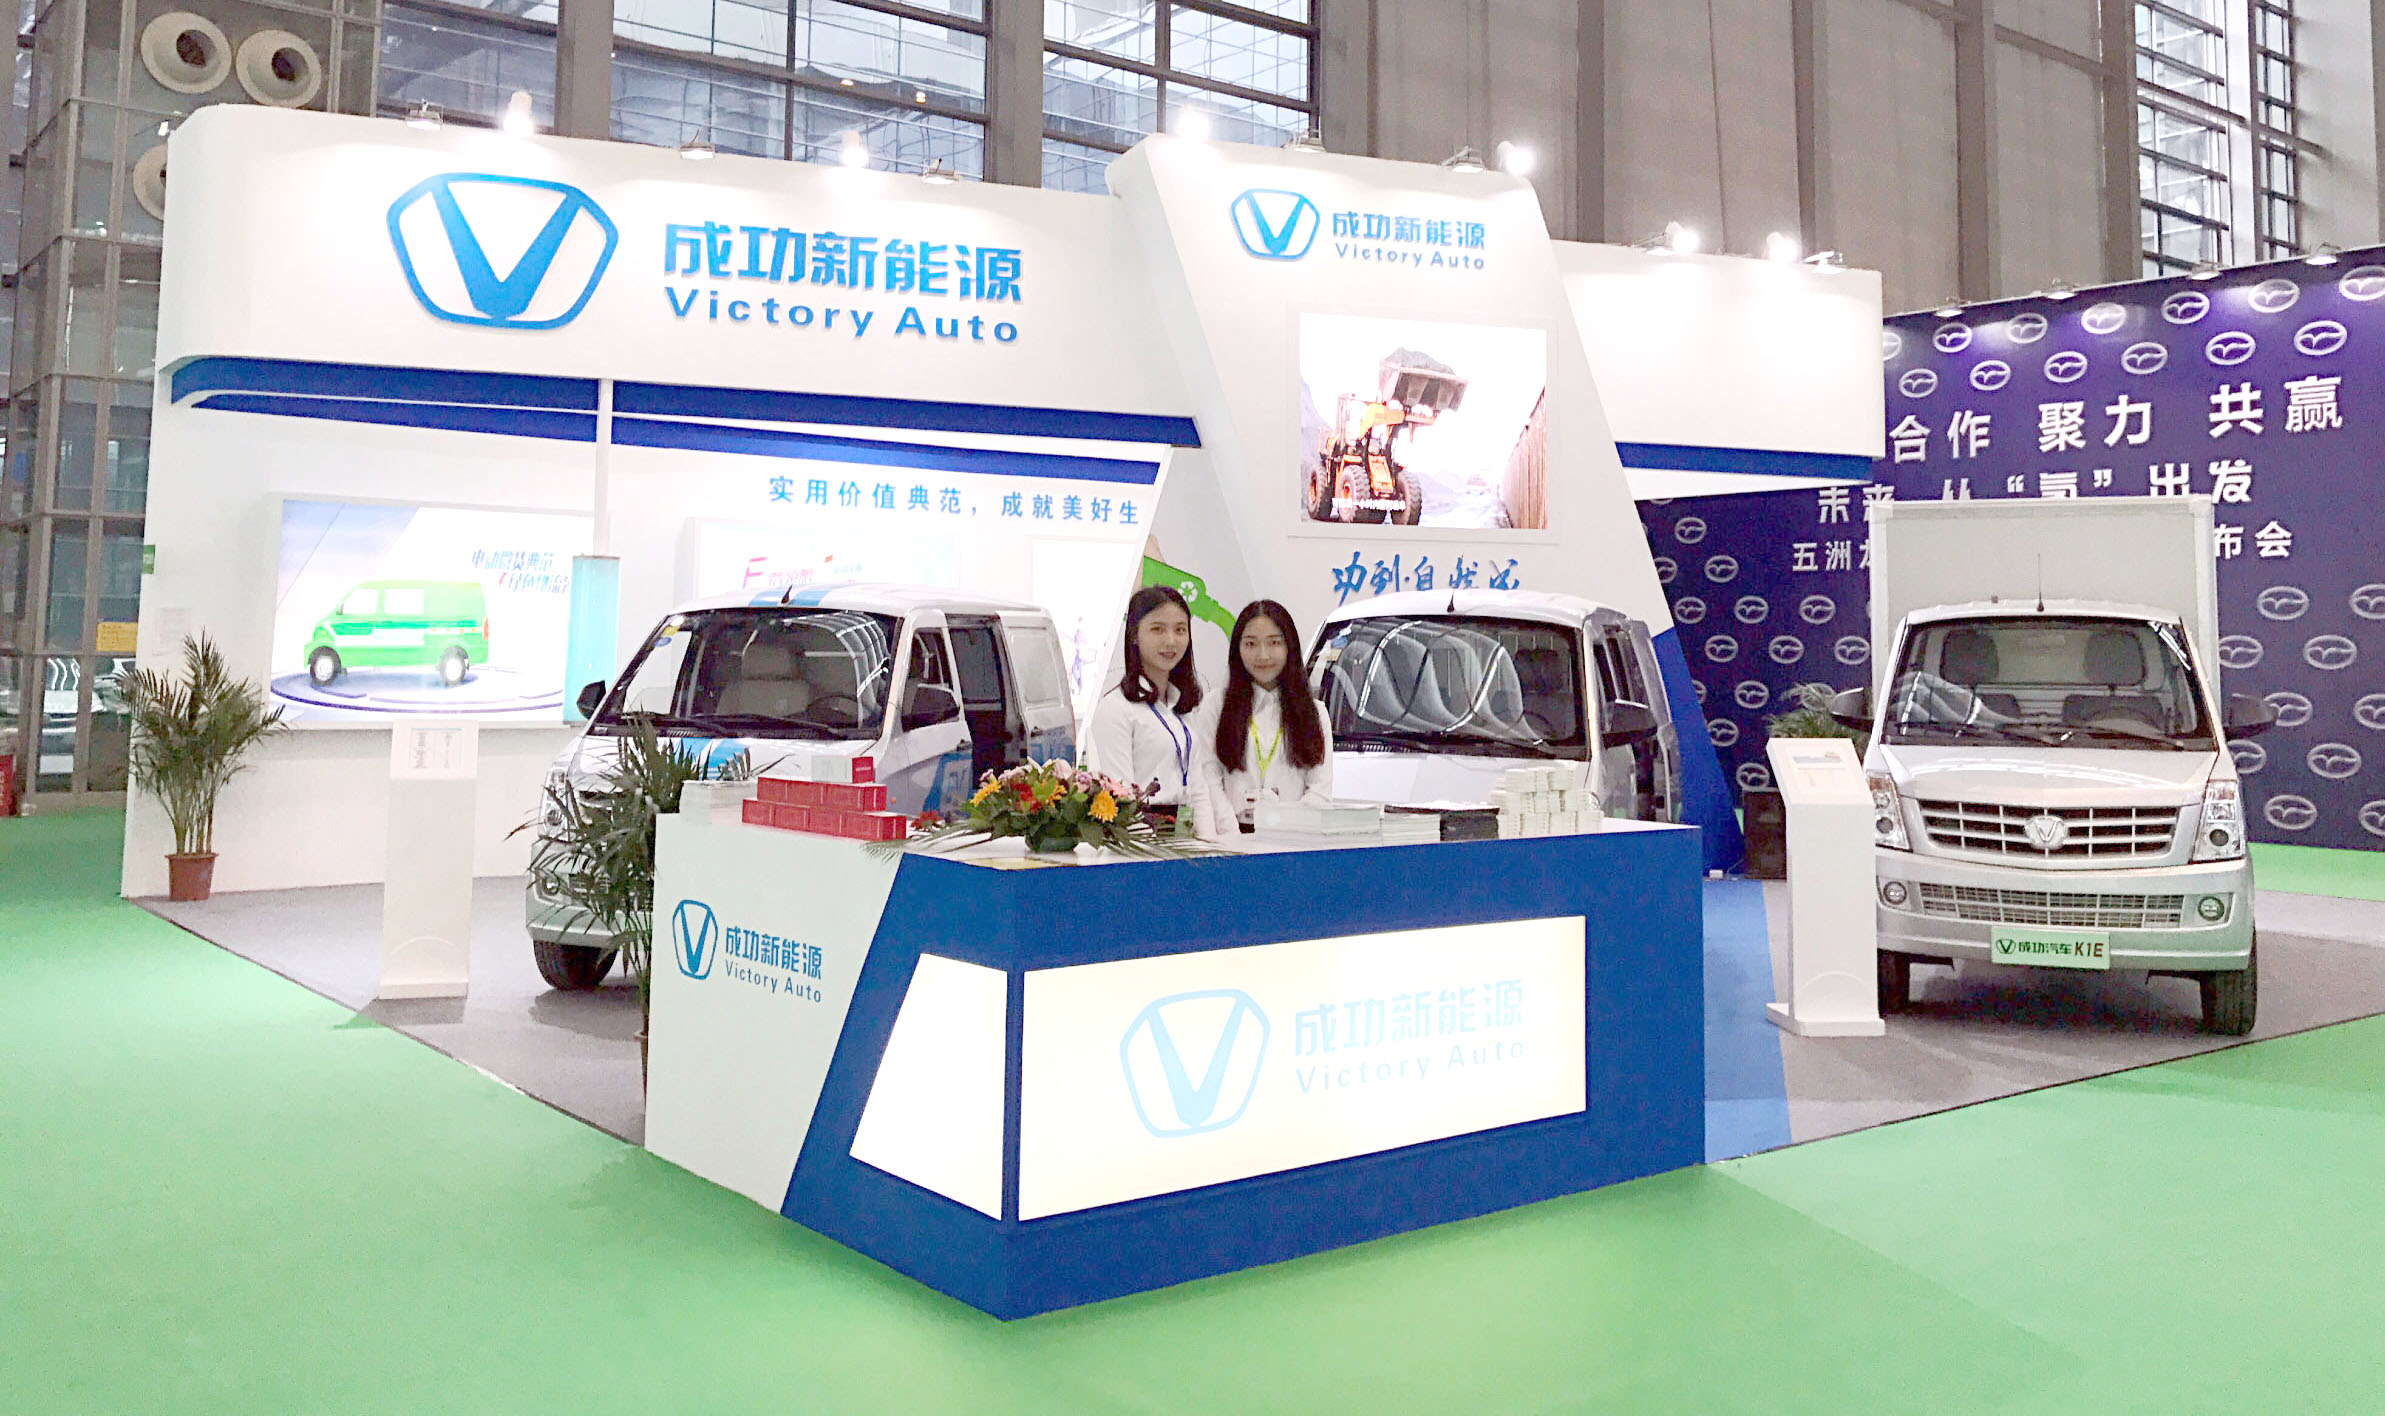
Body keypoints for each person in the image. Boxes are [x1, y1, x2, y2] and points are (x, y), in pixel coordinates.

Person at [1196, 600, 1332, 838]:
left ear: (1289, 647)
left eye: (1274, 642)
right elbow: (1209, 782)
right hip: (1231, 839)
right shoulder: (1215, 706)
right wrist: (1233, 838)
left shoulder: (1315, 713)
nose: (1263, 655)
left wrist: (1285, 831)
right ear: (1237, 648)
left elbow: (1320, 792)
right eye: (1251, 643)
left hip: (1294, 840)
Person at [1087, 585, 1204, 817]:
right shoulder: (1115, 709)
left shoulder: (1182, 706)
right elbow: (1122, 801)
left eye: (1180, 630)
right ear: (1134, 635)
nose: (1171, 641)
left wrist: (1209, 838)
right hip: (1144, 834)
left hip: (1185, 833)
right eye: (1157, 629)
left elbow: (1199, 791)